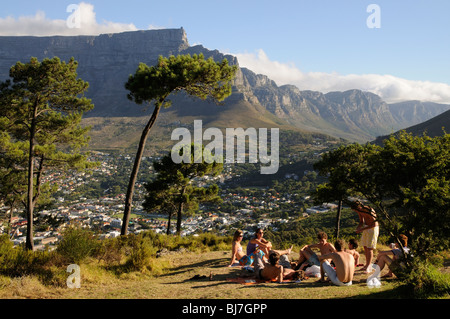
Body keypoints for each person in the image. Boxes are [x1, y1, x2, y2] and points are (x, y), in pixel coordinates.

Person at [351, 201, 379, 272]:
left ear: (359, 207)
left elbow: (374, 224)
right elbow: (361, 222)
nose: (357, 212)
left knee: (369, 247)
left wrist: (362, 229)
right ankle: (366, 265)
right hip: (366, 227)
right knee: (365, 246)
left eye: (356, 210)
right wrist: (358, 228)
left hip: (372, 229)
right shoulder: (359, 211)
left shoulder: (369, 210)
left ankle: (369, 266)